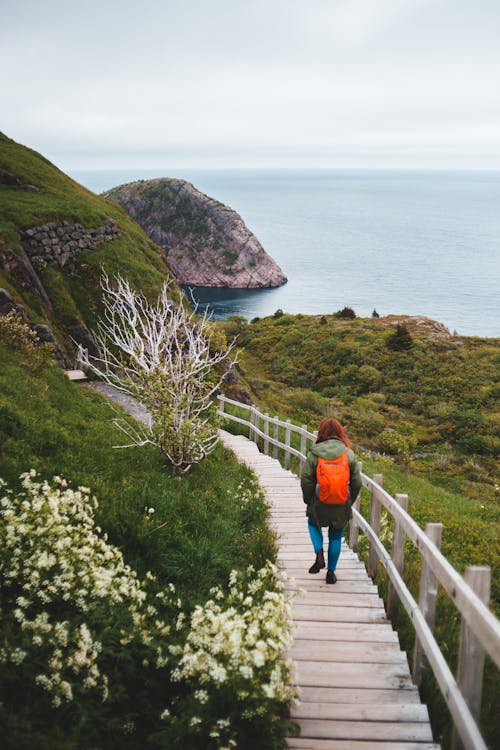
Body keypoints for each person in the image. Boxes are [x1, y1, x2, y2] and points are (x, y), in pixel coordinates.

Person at [300, 418, 362, 584]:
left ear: (321, 433)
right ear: (340, 433)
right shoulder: (348, 454)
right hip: (341, 503)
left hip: (319, 502)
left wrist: (308, 499)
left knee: (313, 524)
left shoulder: (315, 453)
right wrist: (349, 500)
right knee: (335, 536)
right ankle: (331, 573)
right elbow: (357, 482)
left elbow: (306, 479)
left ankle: (319, 554)